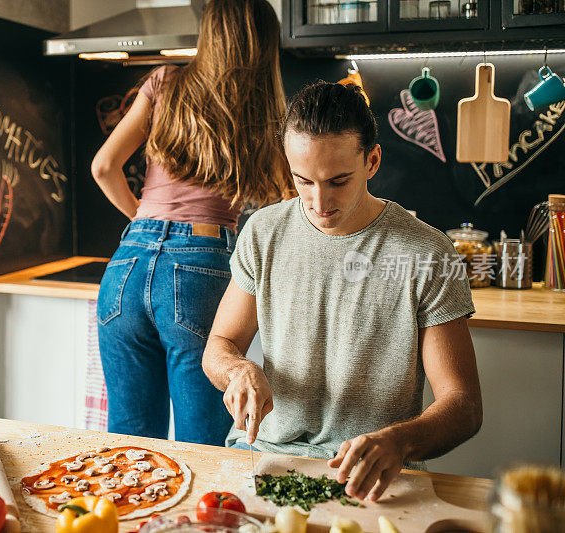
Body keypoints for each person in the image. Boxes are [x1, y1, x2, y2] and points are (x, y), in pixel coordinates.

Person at [202, 81, 483, 500]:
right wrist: (238, 370)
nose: (319, 201)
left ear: (372, 161)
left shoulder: (426, 250)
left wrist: (398, 442)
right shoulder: (263, 232)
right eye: (304, 181)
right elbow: (220, 345)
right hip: (266, 455)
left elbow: (463, 405)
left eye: (337, 181)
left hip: (374, 474)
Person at [90, 0, 292, 446]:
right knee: (202, 451)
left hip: (126, 263)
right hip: (199, 269)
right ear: (263, 44)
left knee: (129, 449)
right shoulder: (260, 110)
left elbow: (104, 166)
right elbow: (289, 196)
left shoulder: (164, 82)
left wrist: (145, 223)